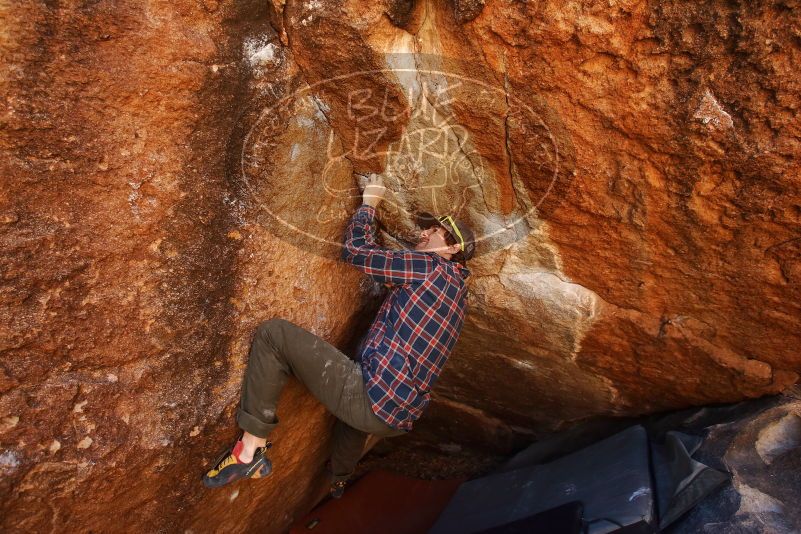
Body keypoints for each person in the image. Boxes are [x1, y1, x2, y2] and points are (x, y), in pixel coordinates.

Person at [202, 174, 476, 497]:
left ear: (452, 247)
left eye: (436, 231)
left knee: (273, 335)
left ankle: (249, 450)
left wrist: (369, 203)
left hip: (372, 399)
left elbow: (356, 251)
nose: (425, 232)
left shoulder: (428, 267)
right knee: (357, 417)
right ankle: (340, 480)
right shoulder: (458, 296)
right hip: (395, 418)